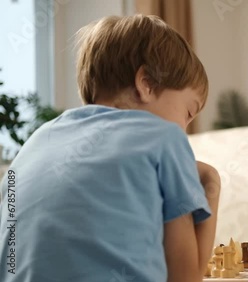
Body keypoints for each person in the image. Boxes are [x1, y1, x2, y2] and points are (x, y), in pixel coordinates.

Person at [0, 15, 220, 282]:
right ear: (146, 84)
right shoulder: (165, 138)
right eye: (188, 112)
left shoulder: (35, 142)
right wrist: (211, 184)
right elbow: (186, 277)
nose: (184, 128)